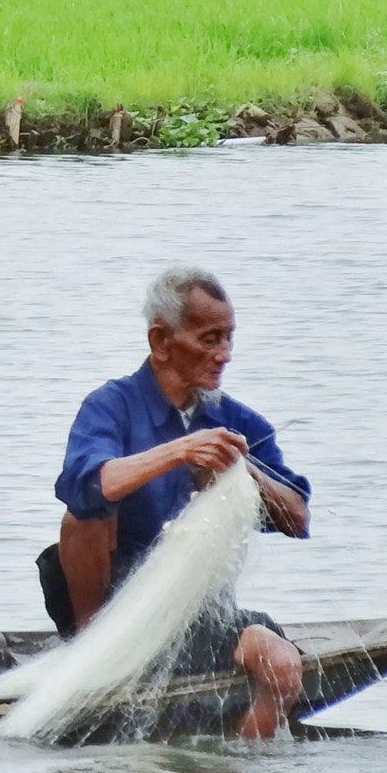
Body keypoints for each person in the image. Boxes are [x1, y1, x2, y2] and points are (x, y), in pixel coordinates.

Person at [38, 267, 311, 738]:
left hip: (193, 615)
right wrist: (179, 452)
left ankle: (231, 770)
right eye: (209, 339)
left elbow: (297, 517)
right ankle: (96, 664)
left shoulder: (235, 422)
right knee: (83, 515)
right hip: (108, 608)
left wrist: (241, 472)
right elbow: (84, 484)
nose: (224, 355)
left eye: (229, 339)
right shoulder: (110, 406)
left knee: (283, 665)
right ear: (161, 342)